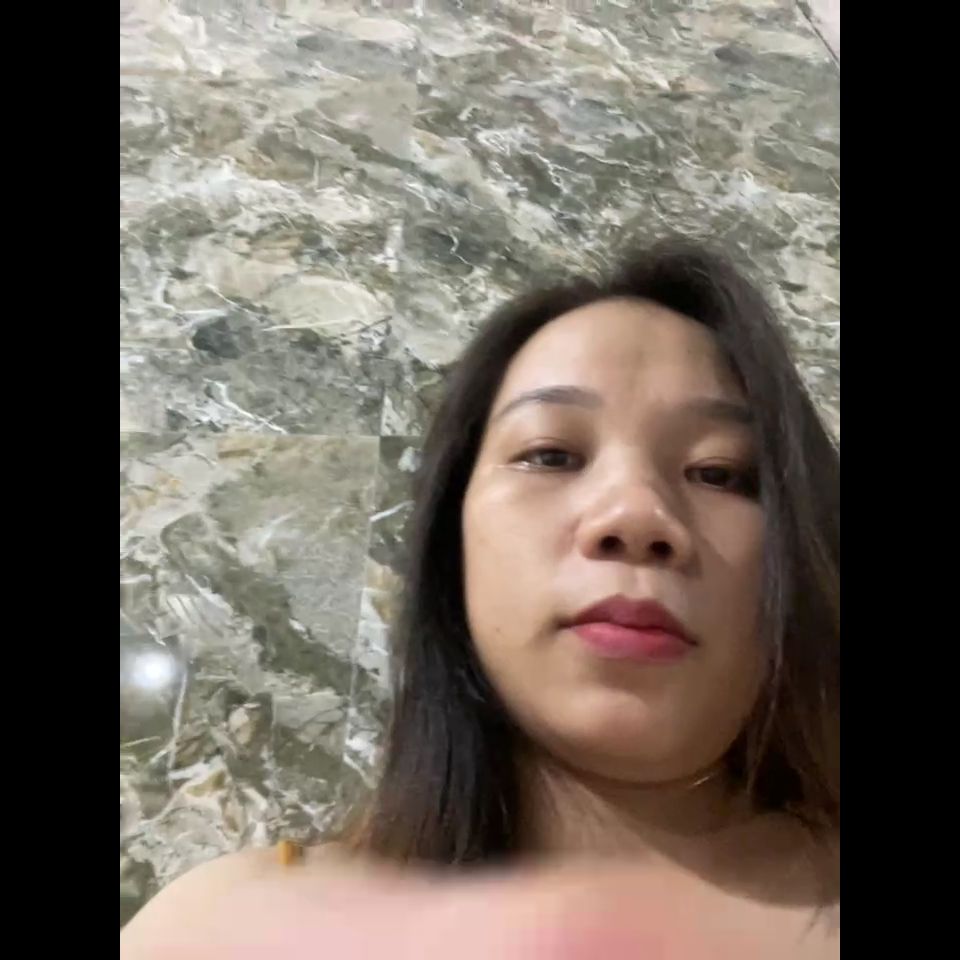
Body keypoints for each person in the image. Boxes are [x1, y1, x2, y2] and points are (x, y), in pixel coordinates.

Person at [121, 239, 840, 959]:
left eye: (719, 472)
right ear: (451, 543)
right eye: (551, 455)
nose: (635, 514)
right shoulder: (218, 934)